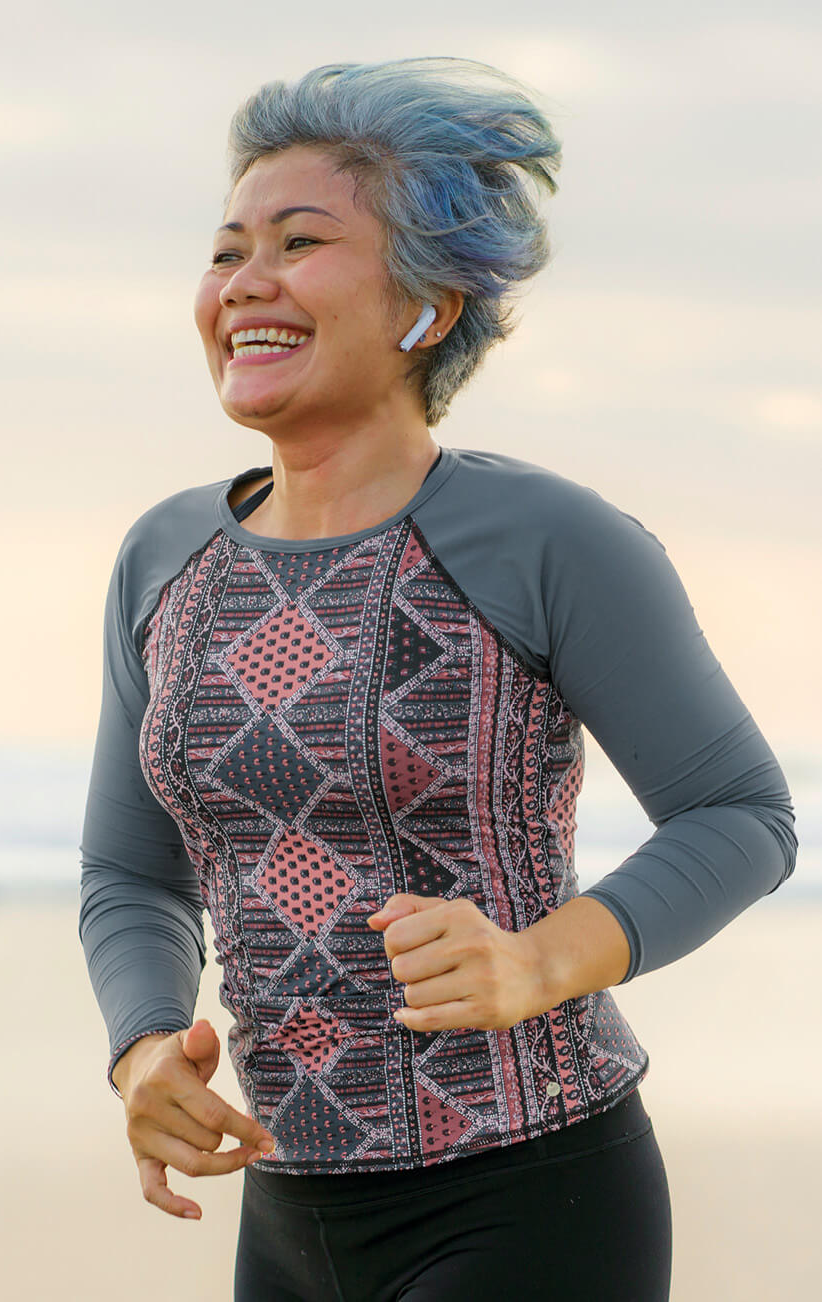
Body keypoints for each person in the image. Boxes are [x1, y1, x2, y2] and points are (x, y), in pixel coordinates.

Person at [78, 57, 797, 1301]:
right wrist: (142, 1045)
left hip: (529, 1198)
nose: (244, 282)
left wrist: (543, 961)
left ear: (428, 305)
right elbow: (132, 869)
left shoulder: (549, 540)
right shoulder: (164, 557)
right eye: (226, 251)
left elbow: (741, 815)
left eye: (300, 242)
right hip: (288, 1215)